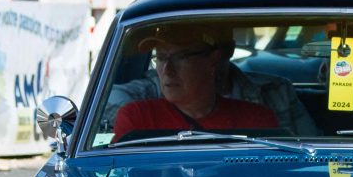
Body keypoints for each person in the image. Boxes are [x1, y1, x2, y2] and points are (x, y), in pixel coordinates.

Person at [113, 26, 278, 140]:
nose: (167, 70)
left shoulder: (257, 119)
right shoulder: (137, 118)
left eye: (181, 57)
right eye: (161, 58)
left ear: (213, 60)